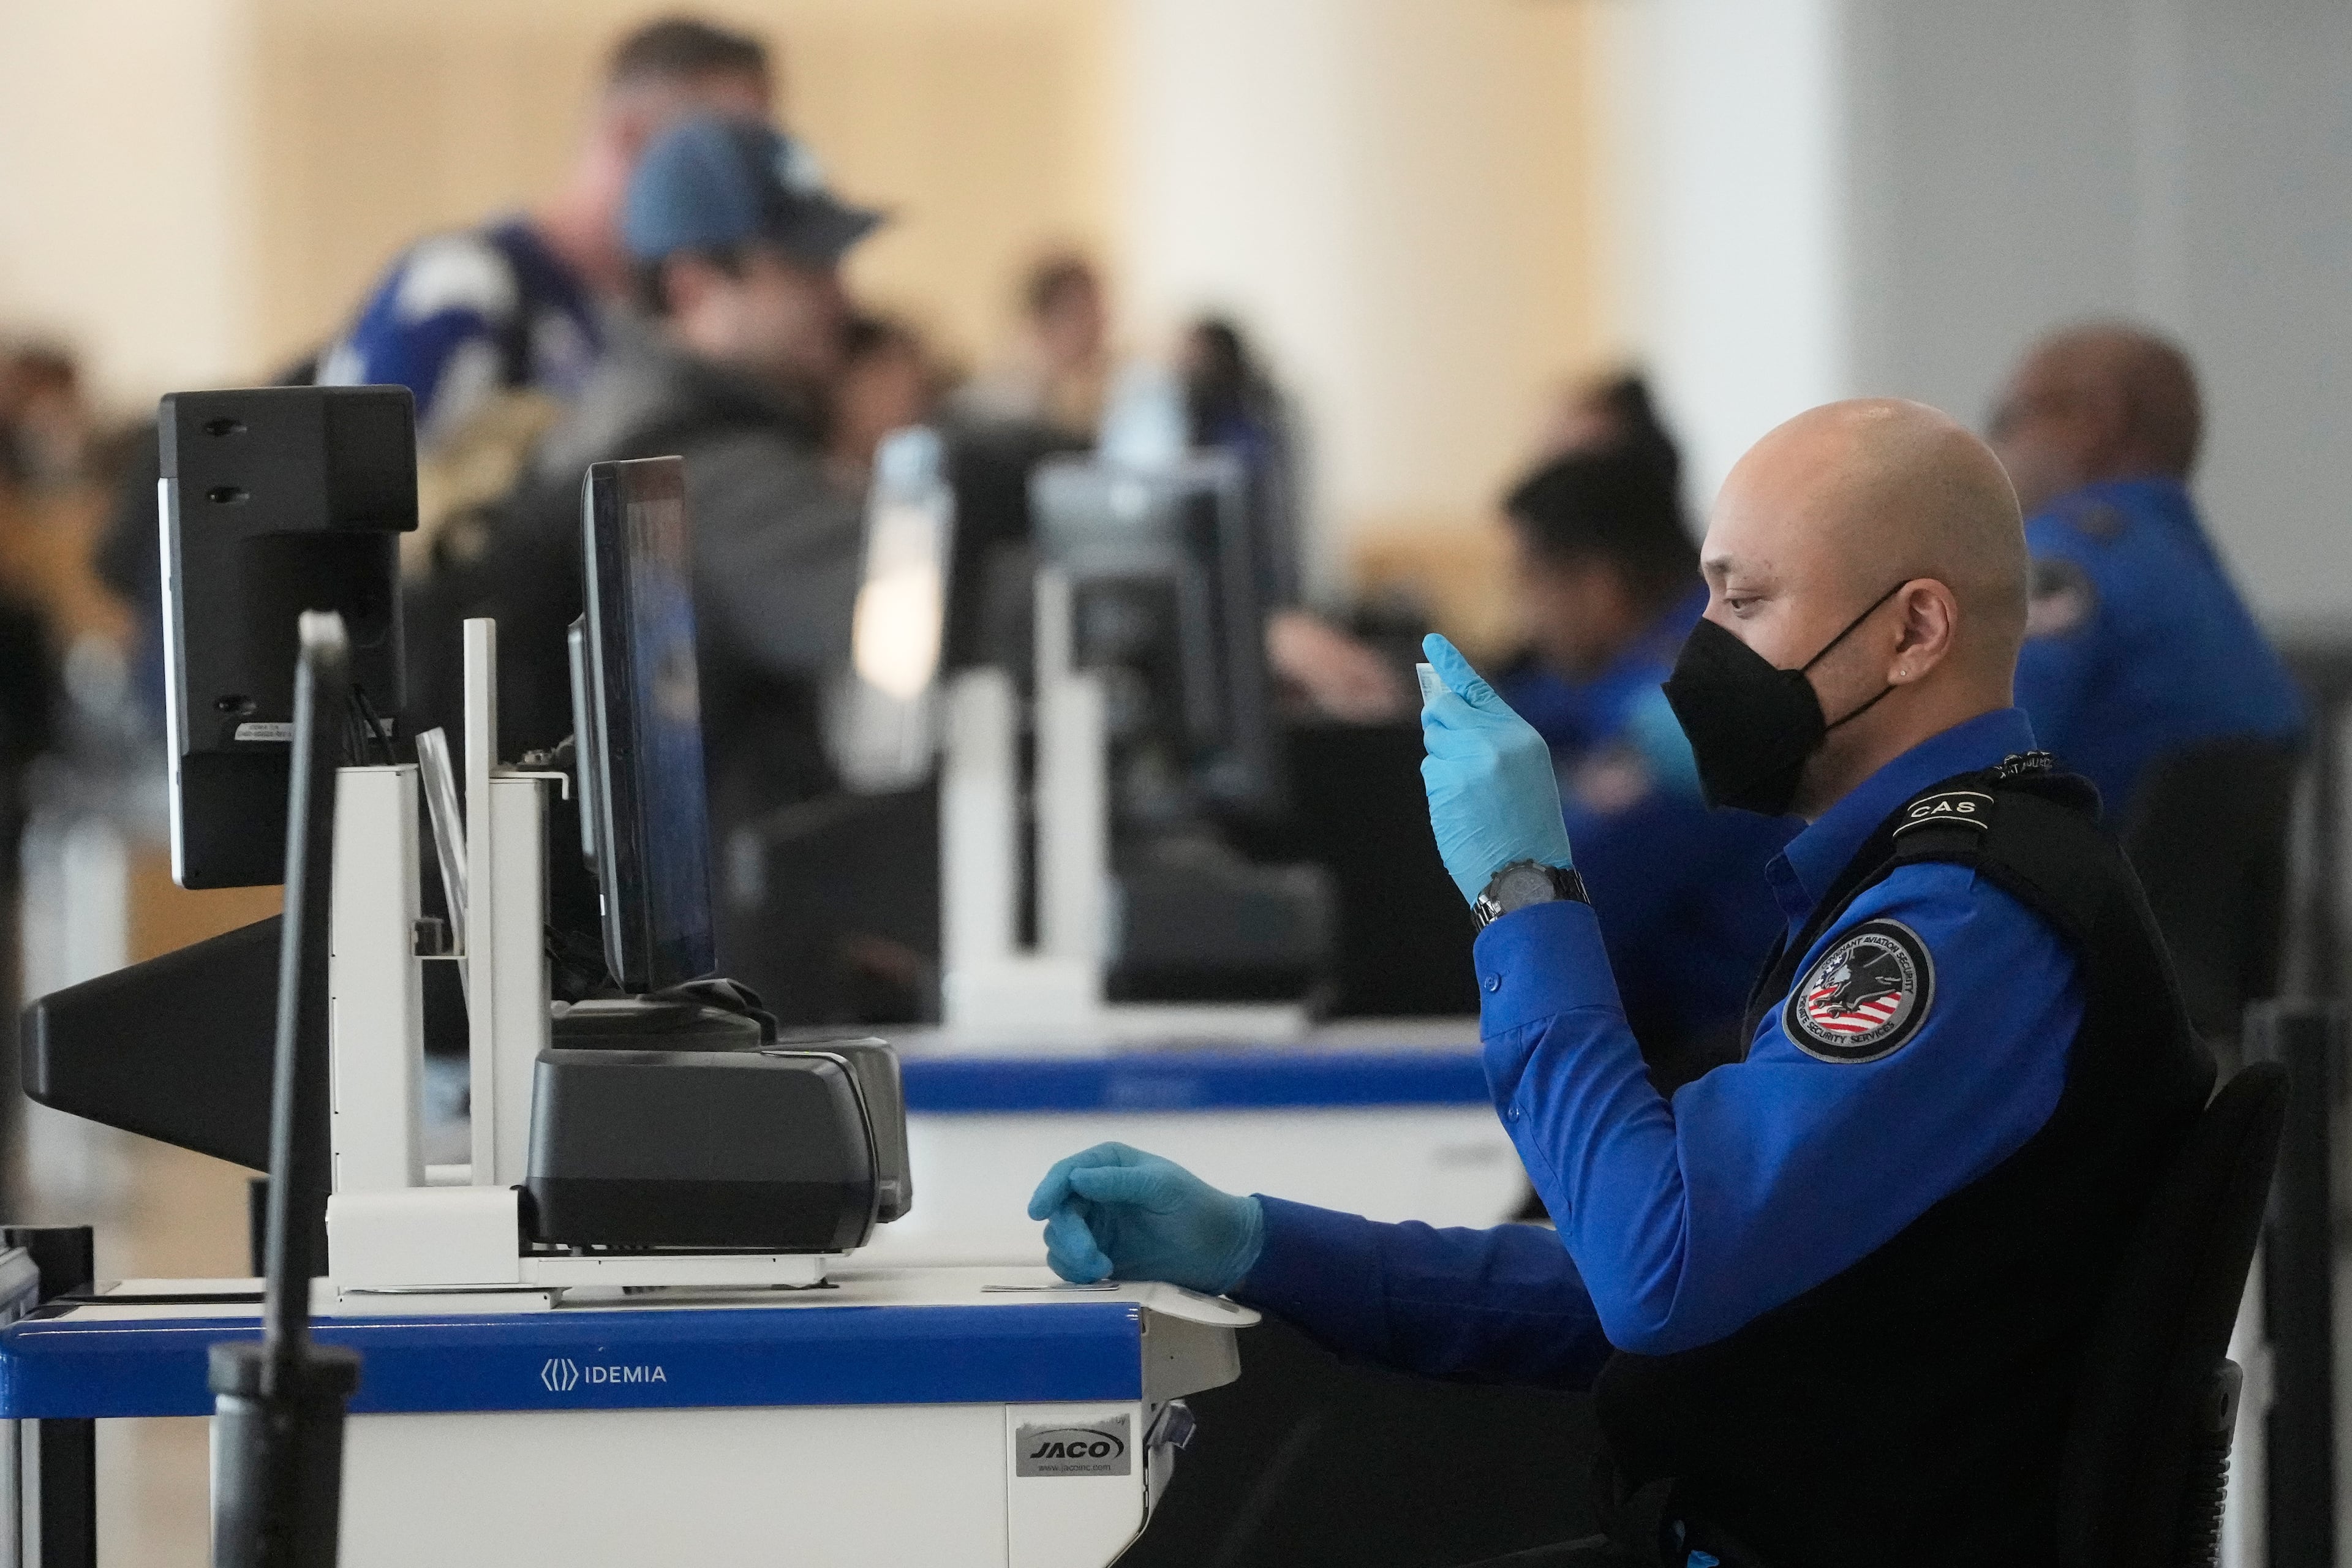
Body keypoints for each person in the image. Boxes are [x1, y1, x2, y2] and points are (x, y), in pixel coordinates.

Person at [1028, 399, 2215, 1567]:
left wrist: (1523, 886)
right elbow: (1637, 1257)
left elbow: (1657, 1267)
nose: (1699, 649)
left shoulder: (1959, 925)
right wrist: (1256, 1244)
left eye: (1747, 601)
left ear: (1914, 630)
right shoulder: (1915, 878)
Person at [417, 111, 883, 869]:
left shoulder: (605, 417)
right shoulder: (709, 470)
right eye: (804, 269)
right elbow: (906, 622)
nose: (840, 297)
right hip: (717, 944)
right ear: (694, 286)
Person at [317, 17, 774, 447]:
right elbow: (348, 492)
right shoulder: (463, 290)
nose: (745, 187)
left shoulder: (650, 319)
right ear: (629, 135)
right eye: (719, 155)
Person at [1491, 449, 1790, 1087]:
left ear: (1597, 583)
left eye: (1531, 584)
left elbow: (1556, 916)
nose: (1526, 615)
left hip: (1722, 1078)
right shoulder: (1698, 655)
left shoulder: (1673, 715)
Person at [1988, 322, 2302, 818]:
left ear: (2094, 419)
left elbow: (1980, 755)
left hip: (2073, 885)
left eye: (2006, 420)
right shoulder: (2192, 572)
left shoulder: (2064, 561)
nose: (1995, 449)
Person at [952, 252, 1112, 439]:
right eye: (1087, 314)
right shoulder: (1007, 394)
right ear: (1050, 316)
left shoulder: (1087, 382)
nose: (1100, 328)